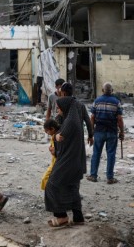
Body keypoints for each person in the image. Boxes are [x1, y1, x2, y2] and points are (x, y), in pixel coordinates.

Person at [44, 97, 86, 227]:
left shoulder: (70, 122)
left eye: (60, 107)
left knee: (52, 185)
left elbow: (61, 138)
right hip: (76, 161)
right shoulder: (72, 119)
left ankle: (61, 216)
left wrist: (56, 138)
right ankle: (78, 217)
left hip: (68, 162)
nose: (58, 110)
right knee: (72, 188)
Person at [87, 82, 124, 184]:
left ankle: (93, 175)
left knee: (96, 153)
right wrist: (122, 132)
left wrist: (91, 132)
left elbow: (92, 117)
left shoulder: (97, 101)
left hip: (99, 131)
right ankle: (110, 178)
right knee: (111, 154)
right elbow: (119, 119)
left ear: (102, 90)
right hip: (112, 131)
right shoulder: (116, 102)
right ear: (112, 91)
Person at [40, 119, 60, 190]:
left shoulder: (57, 137)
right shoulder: (54, 135)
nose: (47, 133)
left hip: (57, 163)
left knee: (45, 178)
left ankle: (50, 194)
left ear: (52, 129)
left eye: (47, 131)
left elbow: (58, 152)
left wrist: (53, 151)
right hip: (54, 162)